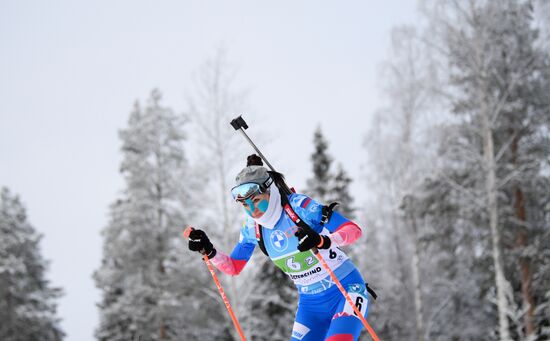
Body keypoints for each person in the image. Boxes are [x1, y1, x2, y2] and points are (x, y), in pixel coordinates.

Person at [188, 154, 371, 341]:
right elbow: (234, 267)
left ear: (270, 191)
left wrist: (323, 240)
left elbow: (352, 230)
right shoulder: (252, 228)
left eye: (257, 200)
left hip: (345, 289)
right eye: (245, 204)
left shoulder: (299, 207)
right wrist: (210, 251)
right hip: (310, 306)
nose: (252, 209)